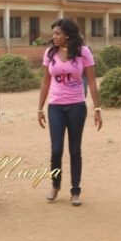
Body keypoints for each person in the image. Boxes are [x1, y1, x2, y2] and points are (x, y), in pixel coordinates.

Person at [37, 18, 102, 206]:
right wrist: (40, 108)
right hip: (55, 107)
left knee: (75, 150)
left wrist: (97, 108)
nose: (54, 37)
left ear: (67, 35)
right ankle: (55, 185)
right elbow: (45, 82)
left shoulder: (83, 53)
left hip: (76, 106)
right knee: (56, 149)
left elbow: (91, 81)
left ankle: (75, 190)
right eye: (53, 34)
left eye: (57, 33)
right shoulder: (50, 53)